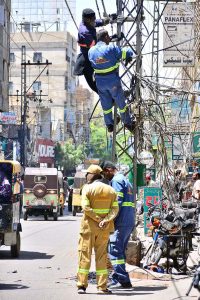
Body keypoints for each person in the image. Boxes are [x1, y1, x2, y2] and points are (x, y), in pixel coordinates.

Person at [77, 164, 119, 294]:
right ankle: (102, 287)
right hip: (104, 229)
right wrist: (105, 220)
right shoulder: (111, 190)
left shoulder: (87, 189)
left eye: (87, 174)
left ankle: (82, 285)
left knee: (85, 255)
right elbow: (115, 209)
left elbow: (85, 207)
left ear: (93, 174)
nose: (86, 176)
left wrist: (97, 219)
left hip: (88, 229)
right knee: (101, 257)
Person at [88, 29, 135, 133]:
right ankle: (127, 122)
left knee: (106, 105)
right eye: (108, 37)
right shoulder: (111, 48)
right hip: (112, 81)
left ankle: (109, 124)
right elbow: (125, 53)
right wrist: (129, 53)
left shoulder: (91, 51)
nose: (110, 39)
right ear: (105, 37)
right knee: (121, 103)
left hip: (100, 82)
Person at [100, 160, 135, 289]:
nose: (104, 177)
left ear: (109, 169)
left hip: (121, 222)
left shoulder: (116, 180)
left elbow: (117, 202)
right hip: (128, 221)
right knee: (120, 251)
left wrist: (108, 219)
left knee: (114, 250)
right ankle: (117, 277)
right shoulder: (124, 179)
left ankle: (124, 281)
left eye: (104, 173)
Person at [74, 8, 110, 93]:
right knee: (93, 83)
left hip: (91, 54)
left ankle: (111, 95)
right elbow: (97, 45)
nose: (94, 20)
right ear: (87, 19)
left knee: (103, 77)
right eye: (93, 19)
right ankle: (108, 97)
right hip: (88, 57)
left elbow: (95, 23)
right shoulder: (85, 32)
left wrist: (105, 21)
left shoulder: (87, 23)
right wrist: (110, 38)